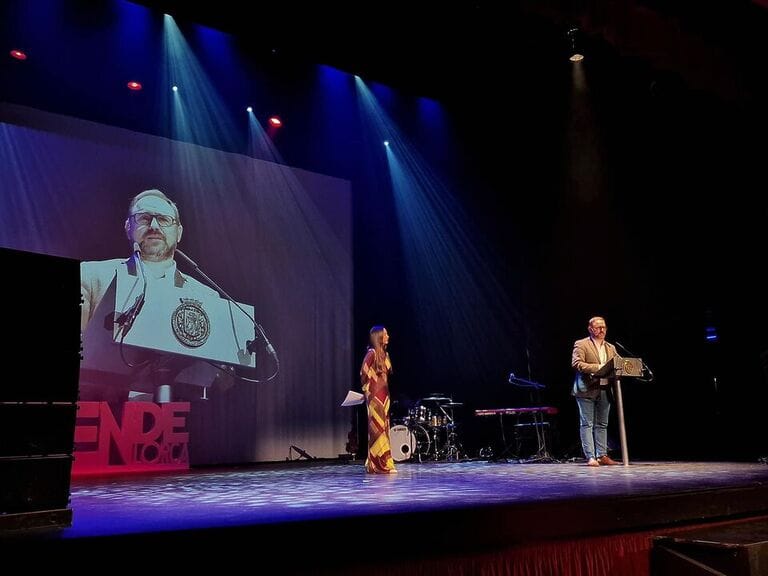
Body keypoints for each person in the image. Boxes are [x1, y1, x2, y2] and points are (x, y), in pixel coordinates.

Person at [80, 188, 219, 331]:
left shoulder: (207, 296)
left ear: (179, 233)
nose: (154, 226)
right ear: (128, 227)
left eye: (164, 219)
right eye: (144, 218)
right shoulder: (91, 276)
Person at [571, 316, 620, 467]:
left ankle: (602, 455)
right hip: (586, 389)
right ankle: (591, 457)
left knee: (602, 424)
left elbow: (618, 363)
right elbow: (576, 363)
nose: (602, 330)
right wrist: (598, 367)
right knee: (587, 424)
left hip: (605, 389)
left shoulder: (611, 347)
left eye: (604, 327)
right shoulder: (581, 344)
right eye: (598, 327)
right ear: (590, 329)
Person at [359, 325, 397, 474]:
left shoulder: (385, 355)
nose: (388, 336)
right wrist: (366, 390)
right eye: (385, 334)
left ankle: (384, 461)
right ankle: (379, 464)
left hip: (385, 395)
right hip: (375, 395)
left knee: (384, 428)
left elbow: (386, 376)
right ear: (379, 336)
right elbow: (363, 372)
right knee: (377, 430)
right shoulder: (372, 353)